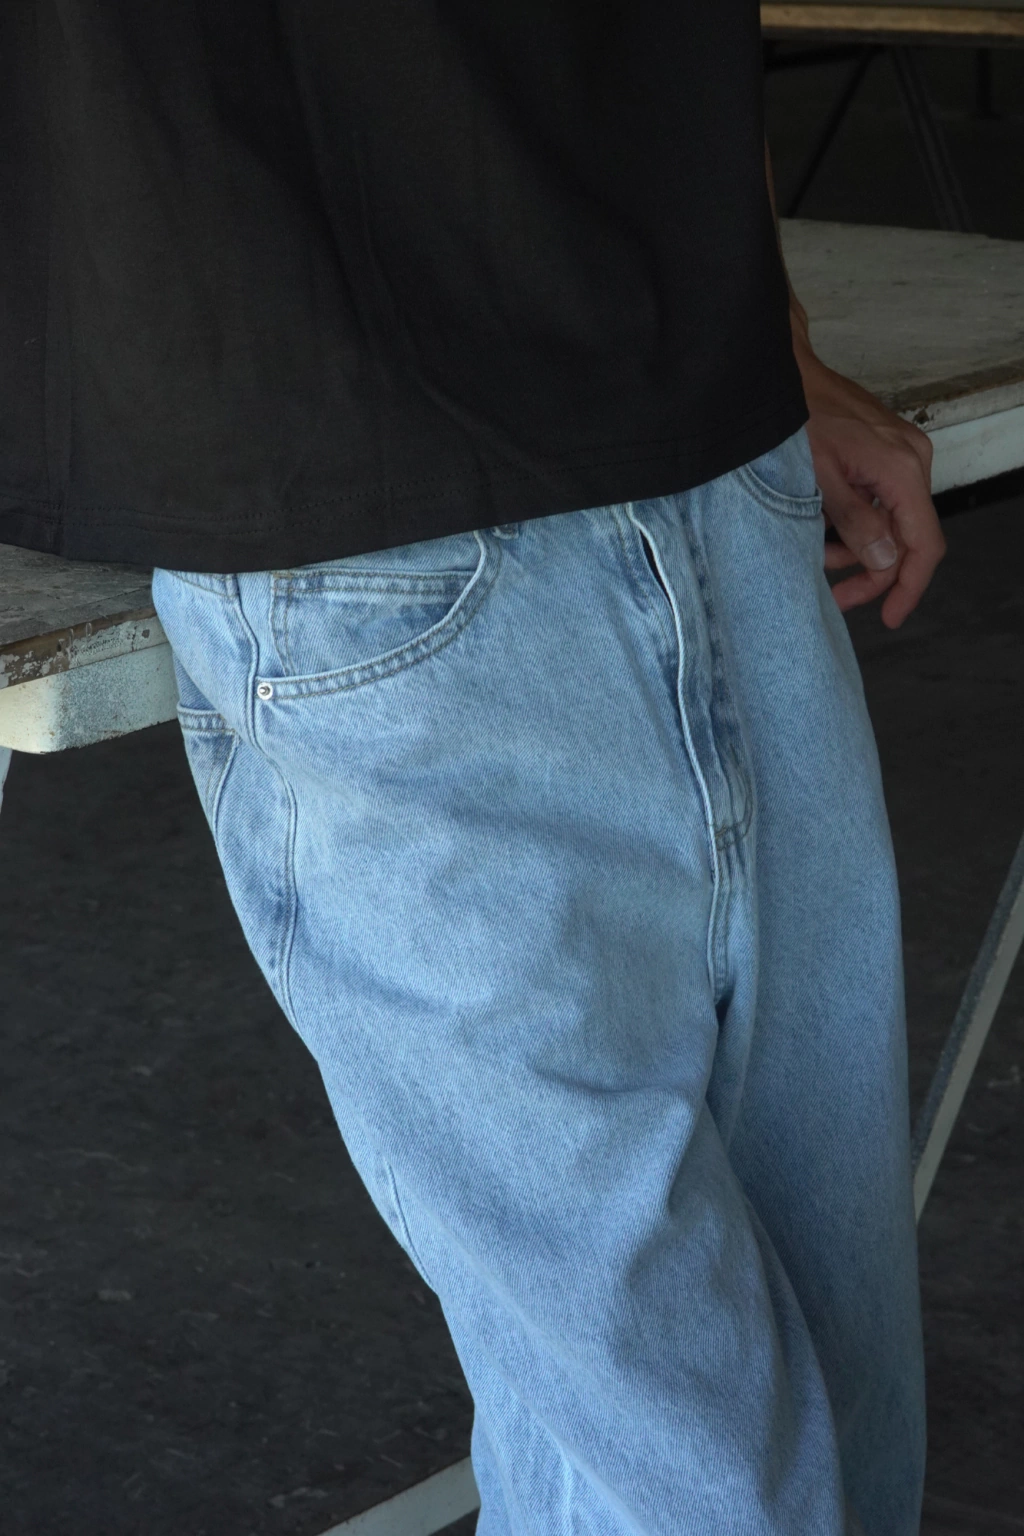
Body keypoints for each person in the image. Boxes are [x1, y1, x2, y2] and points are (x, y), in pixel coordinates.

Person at [2, 6, 945, 1532]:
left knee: (825, 1408)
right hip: (356, 471)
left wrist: (774, 337)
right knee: (707, 1472)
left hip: (693, 427)